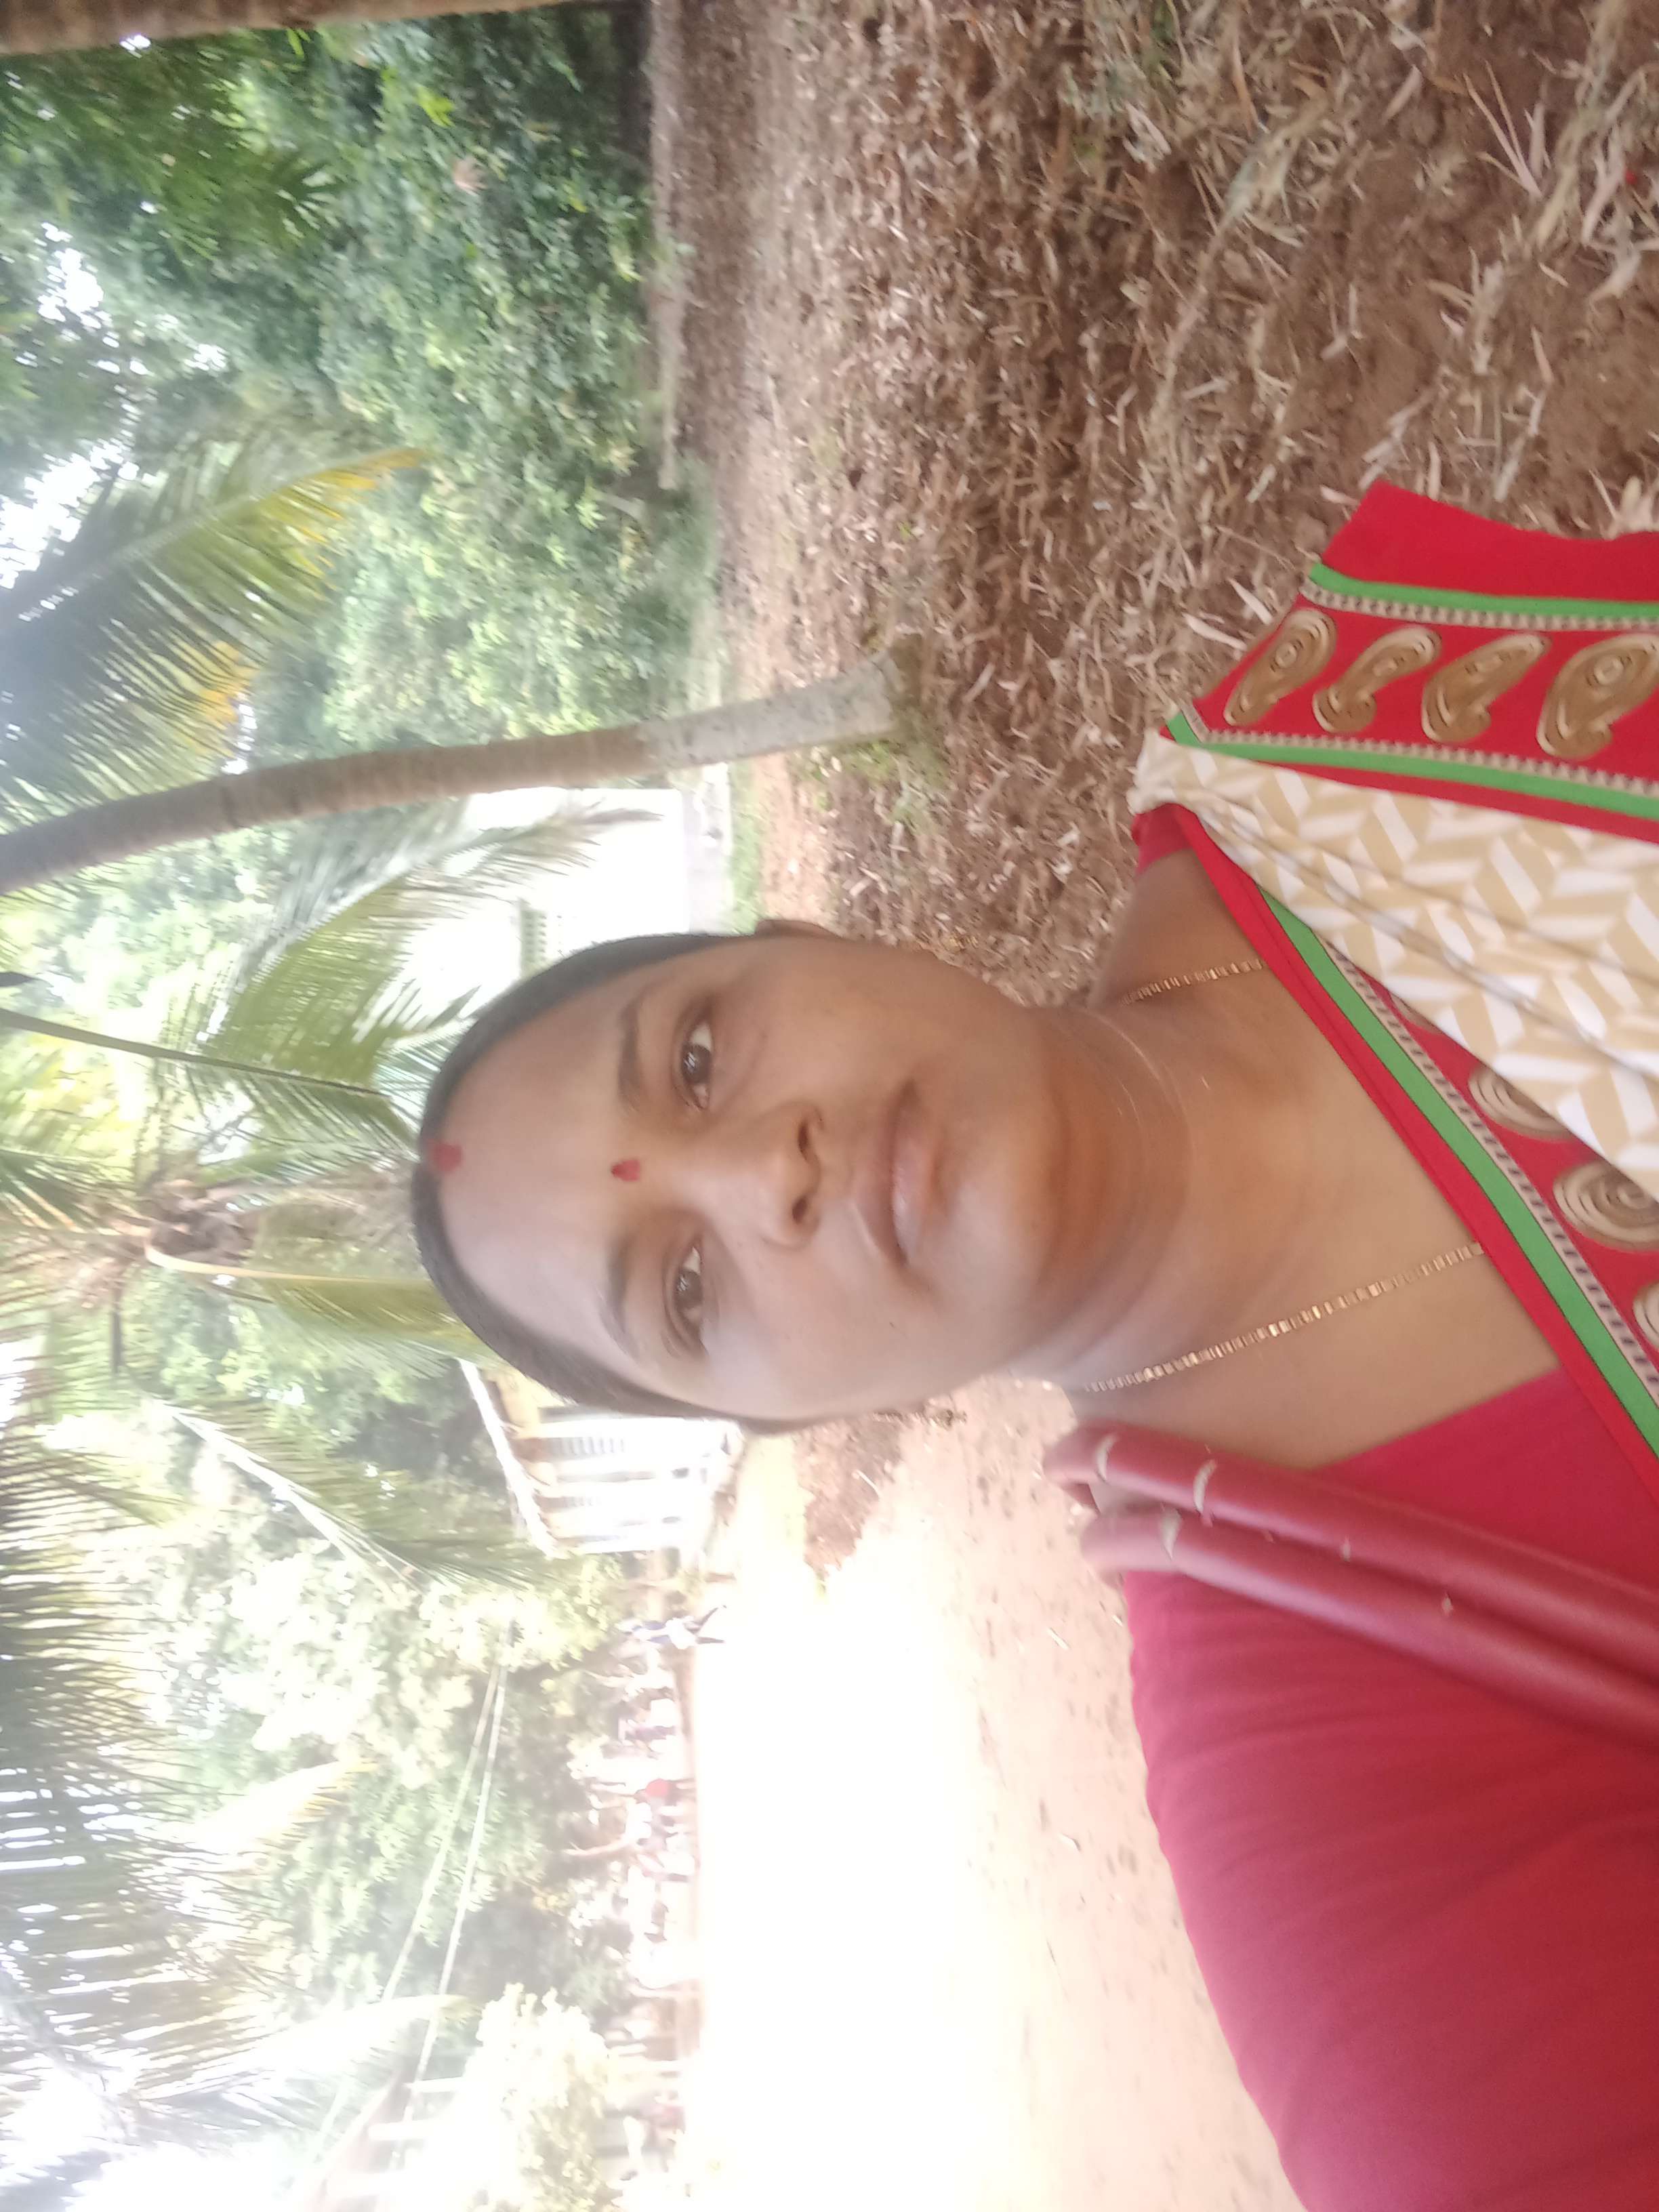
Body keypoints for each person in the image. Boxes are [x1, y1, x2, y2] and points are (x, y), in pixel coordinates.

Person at [412, 486, 1659, 2211]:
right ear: (797, 1417)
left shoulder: (1366, 734)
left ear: (809, 943)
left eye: (697, 1059)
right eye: (686, 1293)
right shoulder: (1343, 1786)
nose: (766, 1177)